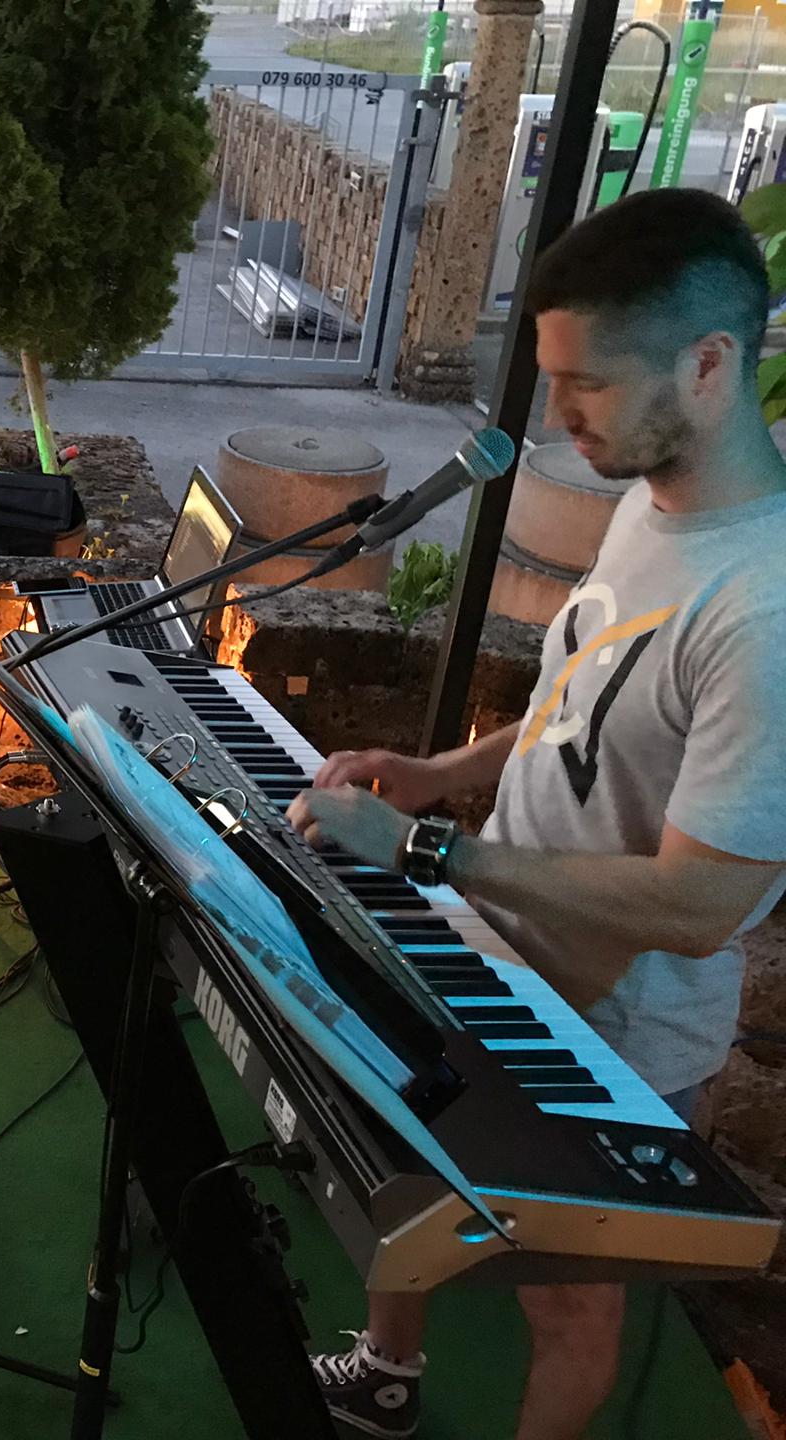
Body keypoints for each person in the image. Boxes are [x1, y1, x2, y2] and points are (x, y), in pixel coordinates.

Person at [285, 187, 786, 1440]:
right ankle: (387, 1376)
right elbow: (583, 702)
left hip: (622, 1028)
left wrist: (425, 848)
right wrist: (440, 771)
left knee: (568, 1308)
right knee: (414, 1174)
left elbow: (700, 905)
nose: (557, 415)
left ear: (709, 364)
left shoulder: (768, 612)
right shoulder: (653, 499)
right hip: (504, 941)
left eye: (587, 383)